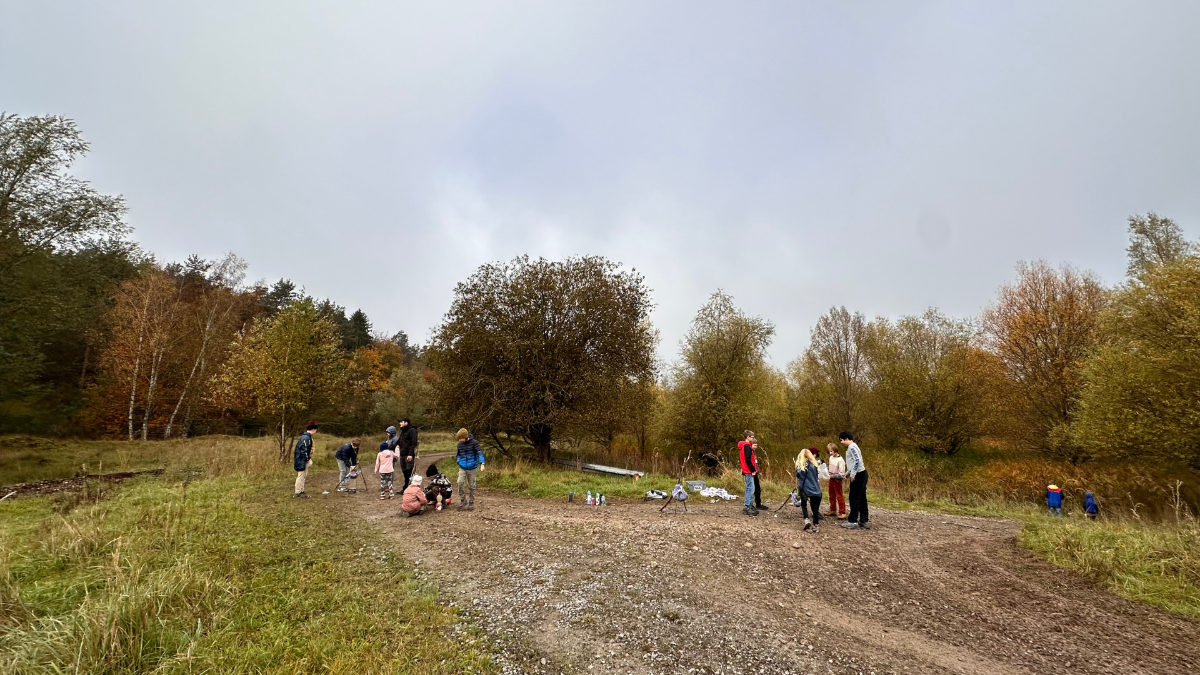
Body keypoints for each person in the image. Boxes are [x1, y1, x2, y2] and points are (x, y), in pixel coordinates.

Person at [840, 432, 869, 530]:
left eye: (841, 440)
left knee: (854, 498)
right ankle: (864, 520)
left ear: (846, 438)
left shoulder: (852, 447)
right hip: (861, 473)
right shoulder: (854, 446)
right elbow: (854, 462)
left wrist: (852, 474)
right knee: (862, 497)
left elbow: (857, 461)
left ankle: (853, 520)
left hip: (859, 475)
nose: (841, 442)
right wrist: (848, 472)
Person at [455, 428, 485, 511]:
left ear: (465, 437)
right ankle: (463, 500)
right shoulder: (459, 445)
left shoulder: (474, 443)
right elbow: (458, 455)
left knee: (472, 485)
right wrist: (458, 461)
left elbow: (480, 453)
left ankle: (471, 502)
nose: (459, 440)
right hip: (462, 467)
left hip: (472, 468)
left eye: (461, 438)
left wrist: (482, 463)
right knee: (459, 483)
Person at [794, 447, 823, 532]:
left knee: (804, 504)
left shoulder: (801, 465)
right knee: (815, 508)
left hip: (804, 488)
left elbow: (799, 476)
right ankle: (816, 525)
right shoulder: (815, 465)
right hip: (815, 488)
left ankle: (806, 519)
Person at [292, 421, 318, 498]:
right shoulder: (306, 438)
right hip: (301, 460)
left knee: (303, 476)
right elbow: (305, 450)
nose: (316, 431)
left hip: (301, 459)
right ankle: (298, 492)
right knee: (301, 475)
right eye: (316, 430)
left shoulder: (306, 437)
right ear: (313, 429)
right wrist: (307, 459)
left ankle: (301, 490)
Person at [738, 430, 758, 517]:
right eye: (752, 437)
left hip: (746, 470)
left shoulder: (744, 446)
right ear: (748, 437)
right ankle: (748, 505)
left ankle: (748, 505)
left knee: (748, 487)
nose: (753, 439)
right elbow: (748, 460)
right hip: (748, 470)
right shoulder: (747, 447)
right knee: (751, 488)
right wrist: (753, 469)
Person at [825, 443, 847, 519]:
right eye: (829, 451)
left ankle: (842, 512)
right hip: (831, 478)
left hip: (837, 480)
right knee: (831, 495)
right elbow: (830, 467)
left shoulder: (840, 460)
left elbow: (842, 474)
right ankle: (832, 509)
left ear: (835, 450)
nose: (830, 453)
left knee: (839, 496)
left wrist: (833, 475)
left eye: (831, 451)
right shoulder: (831, 458)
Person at [397, 418, 419, 488]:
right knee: (404, 472)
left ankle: (409, 488)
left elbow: (414, 443)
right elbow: (399, 441)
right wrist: (390, 447)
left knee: (409, 472)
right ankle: (406, 487)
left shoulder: (412, 431)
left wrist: (410, 454)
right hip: (402, 454)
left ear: (406, 423)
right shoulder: (403, 431)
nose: (400, 423)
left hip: (408, 455)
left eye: (401, 422)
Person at [751, 440, 768, 511]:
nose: (756, 447)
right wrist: (753, 470)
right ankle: (754, 504)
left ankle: (758, 503)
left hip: (755, 471)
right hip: (752, 472)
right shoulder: (750, 452)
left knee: (758, 488)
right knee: (753, 488)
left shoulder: (753, 452)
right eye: (754, 445)